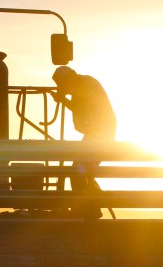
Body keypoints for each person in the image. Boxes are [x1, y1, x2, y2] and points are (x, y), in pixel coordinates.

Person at [50, 66, 117, 217]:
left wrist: (63, 99)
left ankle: (86, 210)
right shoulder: (84, 84)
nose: (61, 88)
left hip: (99, 135)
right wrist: (64, 98)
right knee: (83, 171)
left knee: (77, 170)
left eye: (61, 84)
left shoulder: (85, 85)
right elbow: (80, 108)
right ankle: (90, 207)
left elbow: (81, 108)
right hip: (98, 134)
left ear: (68, 80)